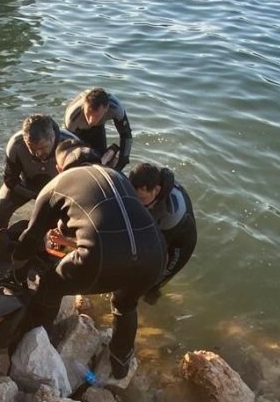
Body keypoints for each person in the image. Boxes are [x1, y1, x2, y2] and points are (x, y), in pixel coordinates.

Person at [13, 140, 166, 379]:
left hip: (101, 258)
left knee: (51, 285)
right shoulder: (118, 176)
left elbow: (30, 237)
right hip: (154, 254)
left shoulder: (58, 183)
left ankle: (40, 345)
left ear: (60, 167)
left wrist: (18, 270)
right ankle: (120, 364)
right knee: (126, 305)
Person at [0, 114, 78, 237]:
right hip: (26, 185)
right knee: (1, 209)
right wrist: (37, 196)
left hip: (59, 189)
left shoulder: (71, 145)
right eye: (32, 148)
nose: (38, 154)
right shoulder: (16, 145)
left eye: (42, 147)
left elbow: (80, 181)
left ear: (52, 137)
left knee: (75, 215)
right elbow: (10, 180)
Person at [128, 162, 197, 303]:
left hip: (179, 243)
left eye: (142, 199)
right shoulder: (146, 186)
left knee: (152, 282)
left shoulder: (171, 213)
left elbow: (155, 250)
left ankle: (151, 308)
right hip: (158, 222)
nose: (138, 204)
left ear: (157, 190)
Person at [63, 88, 133, 171]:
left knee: (100, 159)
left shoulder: (116, 108)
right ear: (84, 107)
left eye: (96, 115)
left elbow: (126, 135)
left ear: (106, 108)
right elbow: (65, 146)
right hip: (78, 130)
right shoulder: (72, 117)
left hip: (98, 128)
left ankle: (112, 151)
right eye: (88, 114)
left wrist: (122, 162)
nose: (91, 120)